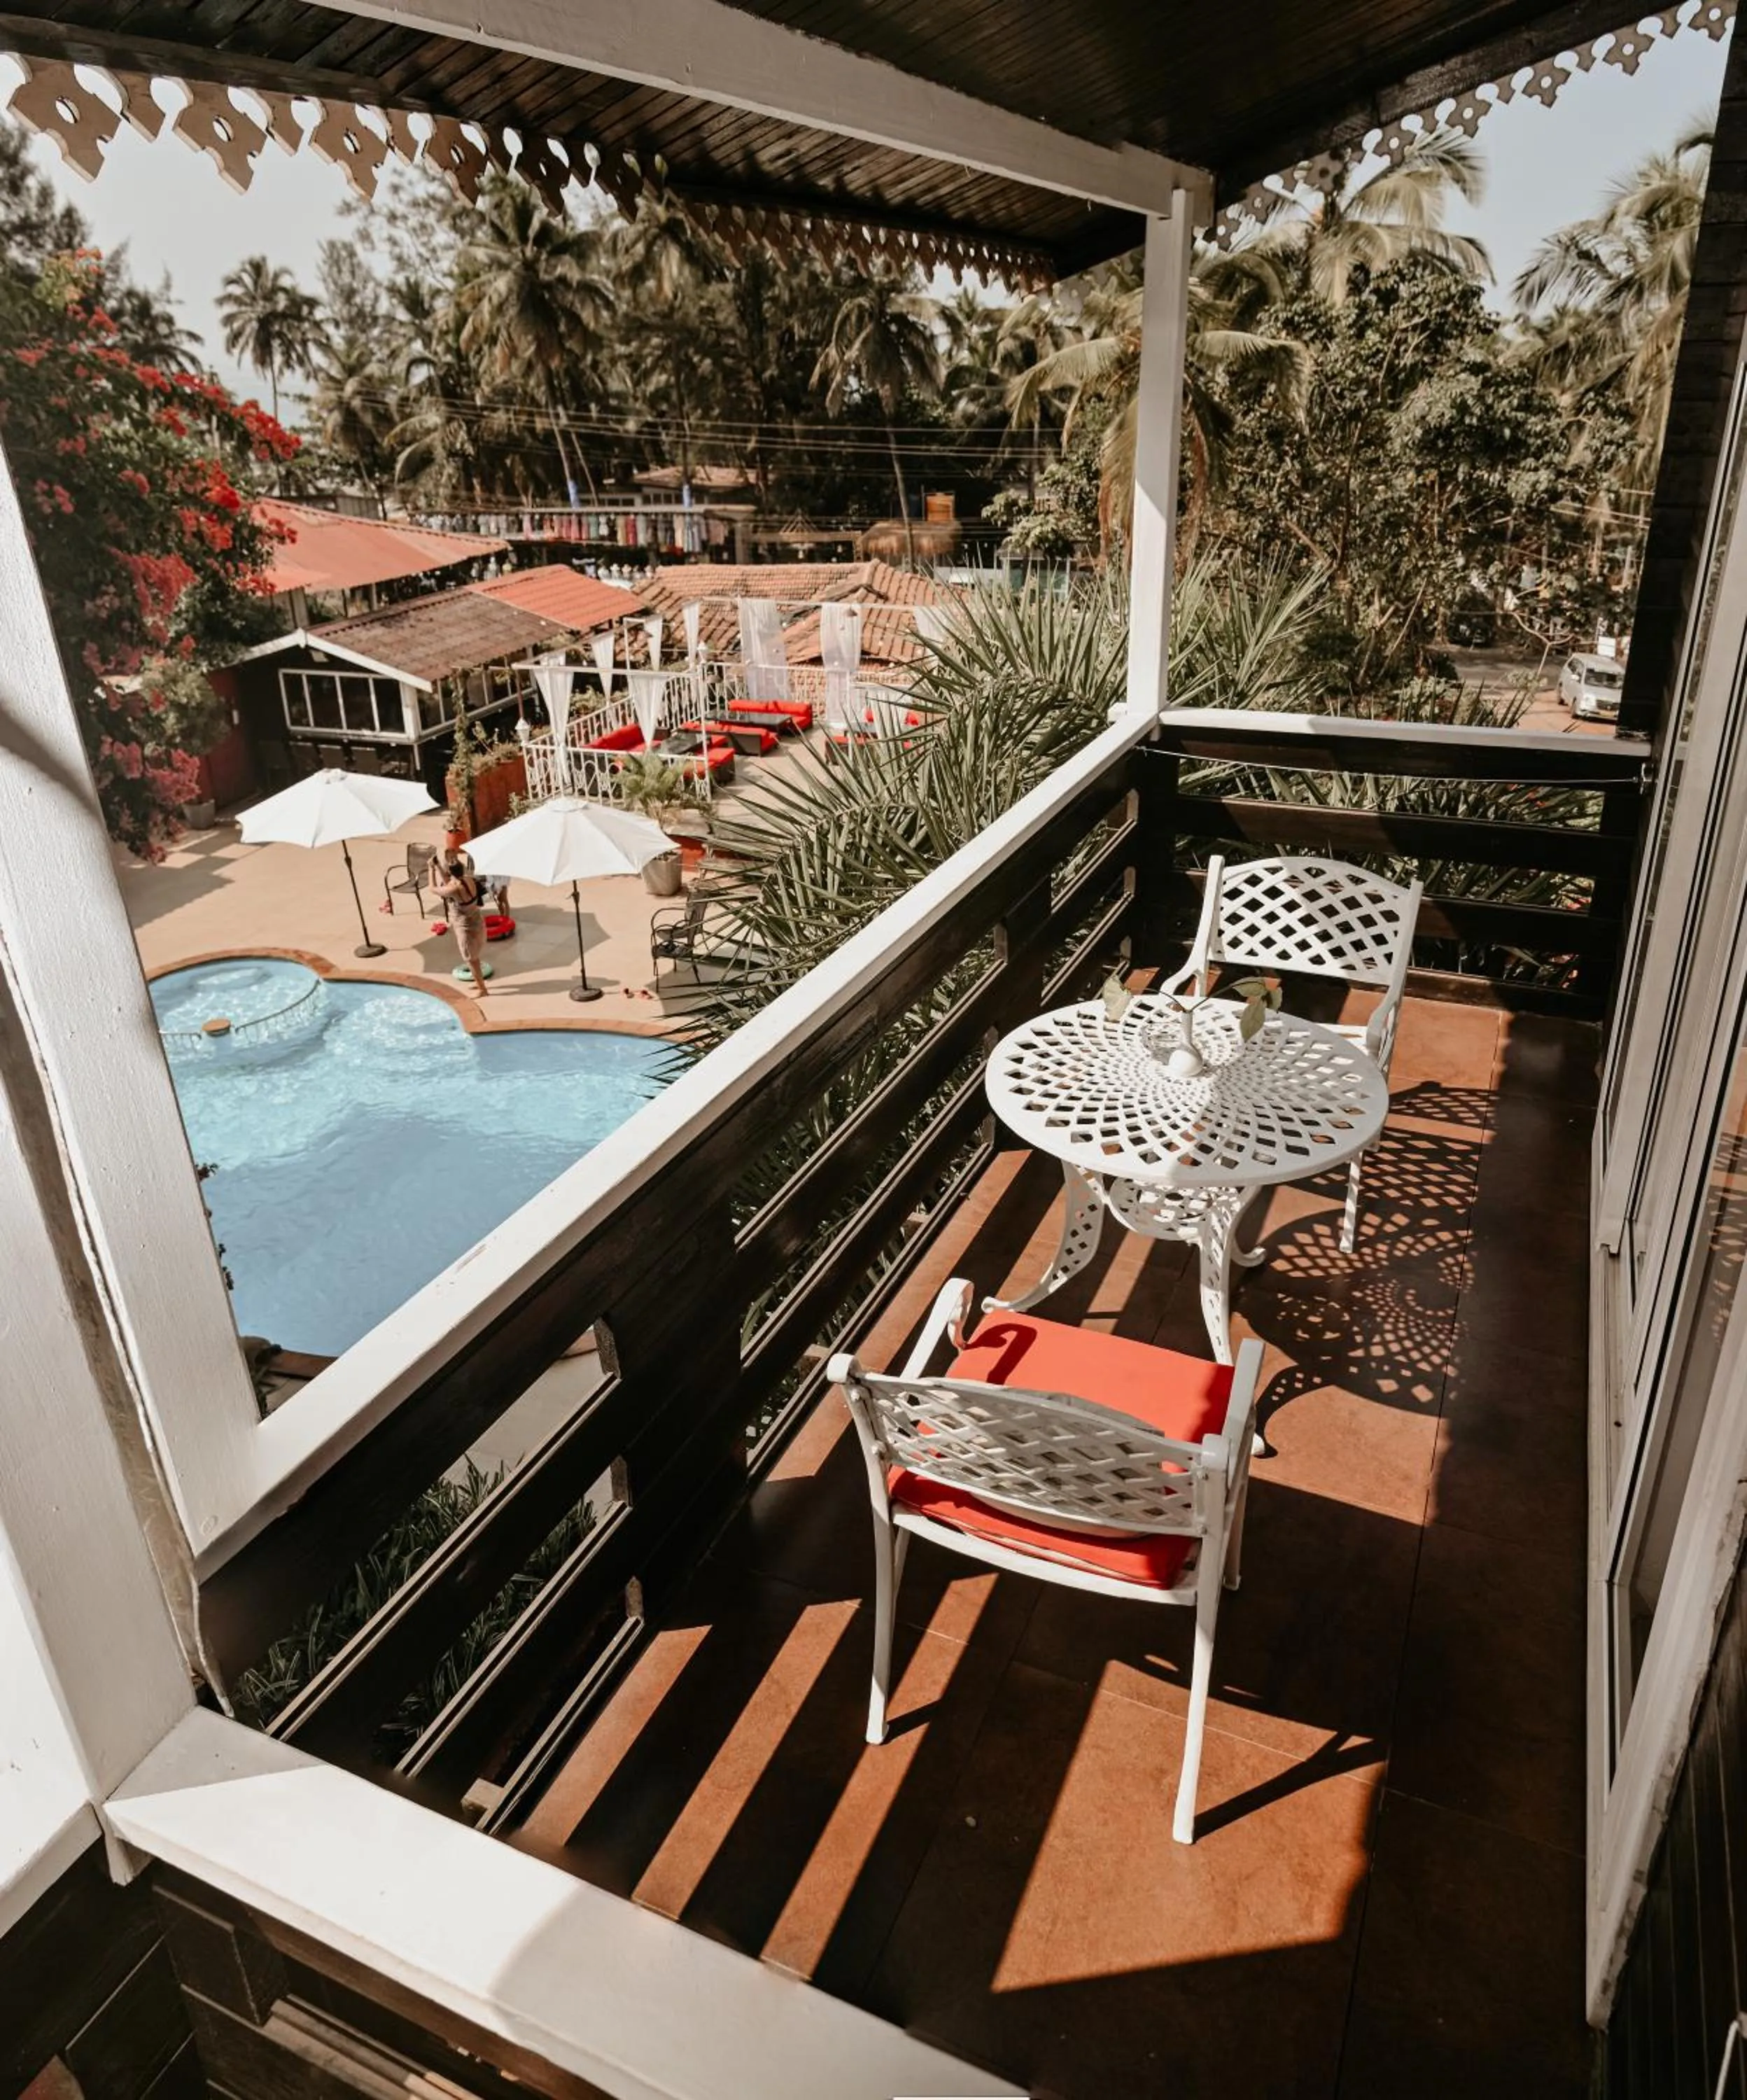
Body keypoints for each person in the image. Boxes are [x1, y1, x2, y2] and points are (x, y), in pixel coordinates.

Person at [432, 848, 490, 997]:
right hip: (477, 921)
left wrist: (430, 869)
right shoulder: (467, 879)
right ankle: (479, 984)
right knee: (473, 957)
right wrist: (438, 866)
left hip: (466, 928)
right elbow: (449, 884)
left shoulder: (454, 888)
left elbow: (433, 889)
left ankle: (483, 990)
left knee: (471, 959)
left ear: (451, 873)